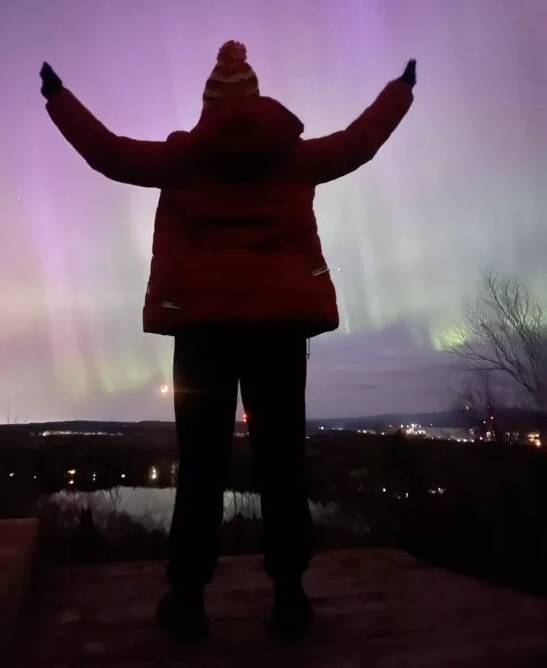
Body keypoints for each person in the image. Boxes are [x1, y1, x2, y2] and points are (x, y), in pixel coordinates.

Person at [40, 43, 416, 639]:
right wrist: (401, 90)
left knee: (201, 469)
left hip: (203, 333)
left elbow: (106, 153)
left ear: (209, 106)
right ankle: (290, 598)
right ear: (258, 100)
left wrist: (56, 98)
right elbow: (357, 143)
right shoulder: (293, 159)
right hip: (280, 332)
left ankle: (187, 602)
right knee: (283, 464)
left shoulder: (182, 160)